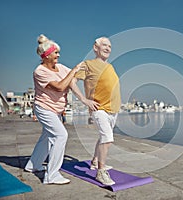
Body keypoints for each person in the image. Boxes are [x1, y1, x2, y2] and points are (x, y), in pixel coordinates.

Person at [24, 34, 99, 185]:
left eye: (58, 52)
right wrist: (73, 72)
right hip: (44, 108)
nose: (58, 55)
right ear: (46, 55)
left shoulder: (61, 68)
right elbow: (60, 86)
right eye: (56, 52)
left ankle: (33, 165)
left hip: (56, 110)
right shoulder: (40, 72)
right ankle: (52, 175)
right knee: (60, 135)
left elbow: (73, 80)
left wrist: (85, 95)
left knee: (47, 137)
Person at [74, 37, 121, 186]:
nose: (108, 48)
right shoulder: (87, 64)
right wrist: (84, 100)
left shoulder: (110, 67)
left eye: (110, 46)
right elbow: (72, 81)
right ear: (96, 47)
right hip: (99, 108)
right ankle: (100, 172)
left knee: (103, 137)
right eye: (105, 45)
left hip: (113, 110)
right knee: (107, 138)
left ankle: (95, 161)